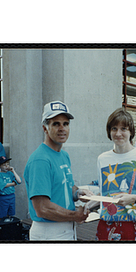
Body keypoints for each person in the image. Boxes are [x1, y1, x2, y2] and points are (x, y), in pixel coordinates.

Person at [88, 108, 136, 241]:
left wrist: (135, 198)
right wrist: (87, 204)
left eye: (123, 129)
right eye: (114, 129)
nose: (118, 133)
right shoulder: (102, 159)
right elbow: (105, 194)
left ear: (131, 132)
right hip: (107, 226)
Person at [24, 100, 93, 240]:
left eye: (66, 124)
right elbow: (42, 208)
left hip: (66, 228)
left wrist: (78, 192)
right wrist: (76, 215)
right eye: (56, 124)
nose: (62, 128)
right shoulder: (40, 160)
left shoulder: (64, 155)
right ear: (45, 128)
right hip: (49, 231)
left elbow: (65, 186)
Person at [0, 157, 22, 225]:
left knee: (10, 216)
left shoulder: (10, 174)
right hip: (3, 197)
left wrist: (13, 171)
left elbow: (19, 181)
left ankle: (8, 232)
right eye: (4, 165)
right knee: (1, 217)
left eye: (7, 164)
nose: (6, 166)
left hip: (11, 196)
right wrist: (12, 184)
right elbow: (3, 185)